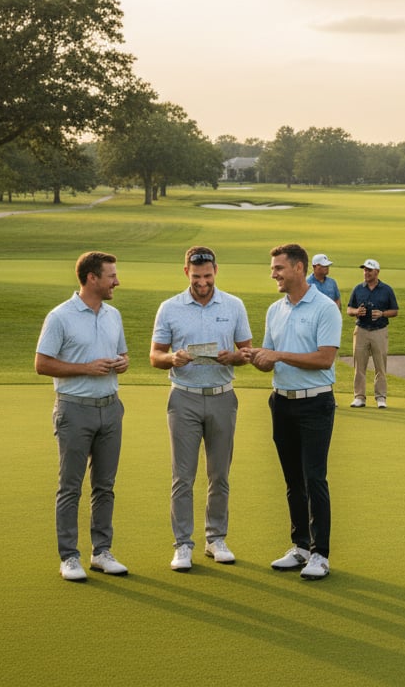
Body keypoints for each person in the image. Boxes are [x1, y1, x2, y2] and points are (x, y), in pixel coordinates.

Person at [150, 246, 253, 572]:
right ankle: (183, 545)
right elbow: (155, 356)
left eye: (207, 276)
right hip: (184, 398)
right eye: (196, 277)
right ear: (186, 273)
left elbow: (247, 352)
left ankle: (215, 539)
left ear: (216, 271)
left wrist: (233, 357)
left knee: (219, 475)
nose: (203, 282)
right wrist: (172, 358)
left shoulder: (234, 306)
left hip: (223, 397)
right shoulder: (169, 308)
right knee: (183, 476)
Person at [35, 251, 130, 582]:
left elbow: (123, 353)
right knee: (70, 487)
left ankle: (101, 552)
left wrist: (122, 362)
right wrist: (86, 368)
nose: (117, 281)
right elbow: (42, 363)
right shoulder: (60, 316)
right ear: (92, 278)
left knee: (105, 486)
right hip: (74, 409)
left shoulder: (113, 315)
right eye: (111, 276)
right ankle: (69, 557)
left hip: (110, 408)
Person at [251, 243, 343, 580]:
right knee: (293, 480)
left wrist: (278, 356)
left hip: (315, 403)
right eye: (273, 269)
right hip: (281, 402)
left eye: (279, 268)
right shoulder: (275, 309)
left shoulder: (324, 308)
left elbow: (324, 359)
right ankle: (301, 546)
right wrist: (257, 357)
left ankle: (320, 554)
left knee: (314, 478)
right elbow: (269, 358)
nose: (273, 274)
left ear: (299, 268)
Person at [345, 258, 399, 408]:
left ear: (377, 272)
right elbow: (349, 309)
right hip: (361, 330)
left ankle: (381, 397)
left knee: (380, 366)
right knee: (359, 366)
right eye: (365, 270)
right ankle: (359, 397)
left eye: (369, 270)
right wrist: (357, 311)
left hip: (379, 331)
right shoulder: (358, 289)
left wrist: (382, 314)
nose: (366, 272)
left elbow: (395, 311)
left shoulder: (386, 290)